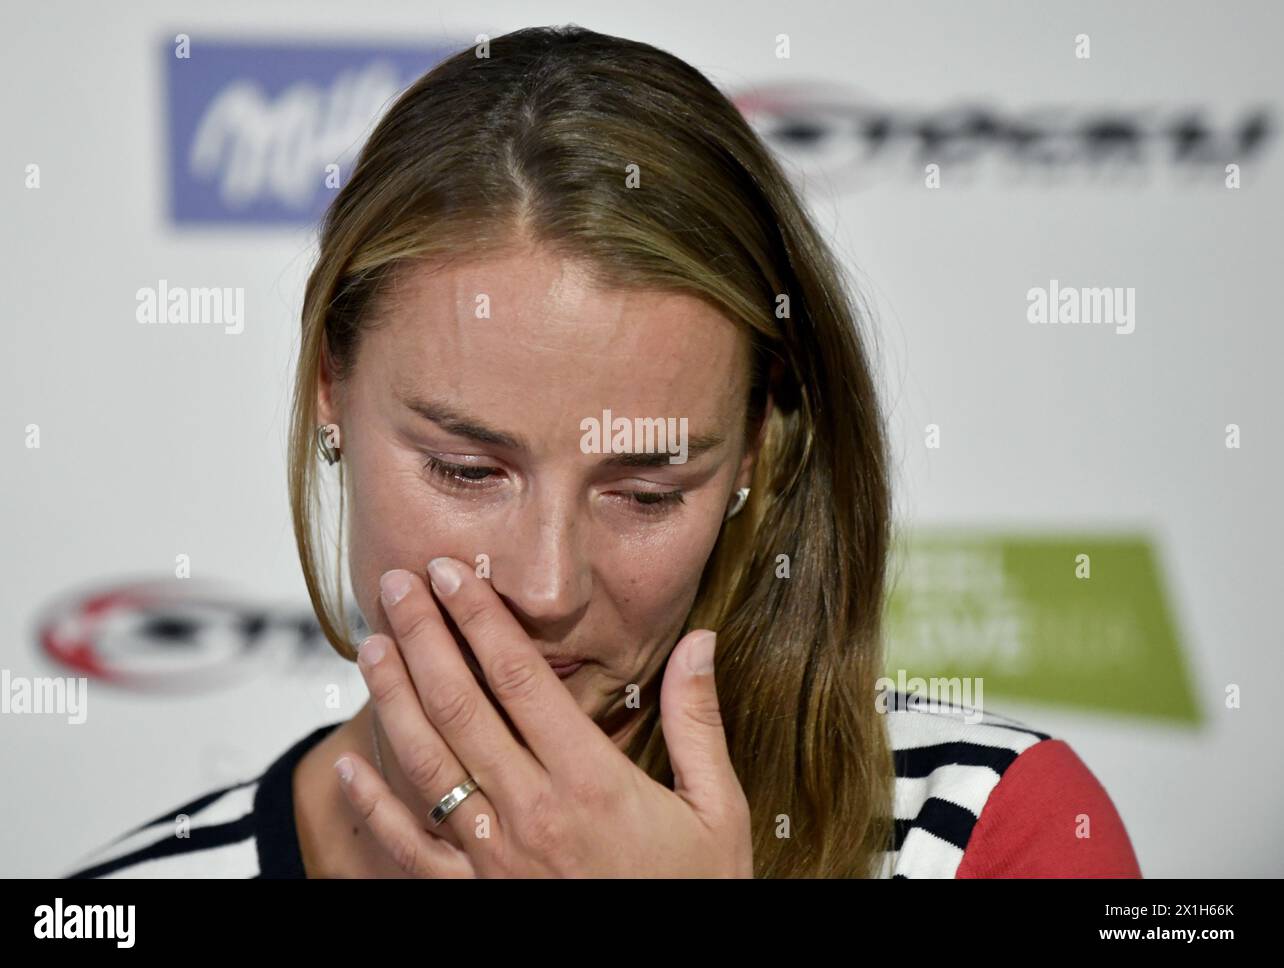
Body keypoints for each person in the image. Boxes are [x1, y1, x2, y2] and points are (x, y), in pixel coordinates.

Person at [67, 24, 1140, 879]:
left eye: (645, 490)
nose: (543, 585)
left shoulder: (986, 834)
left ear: (760, 446)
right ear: (328, 384)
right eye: (466, 469)